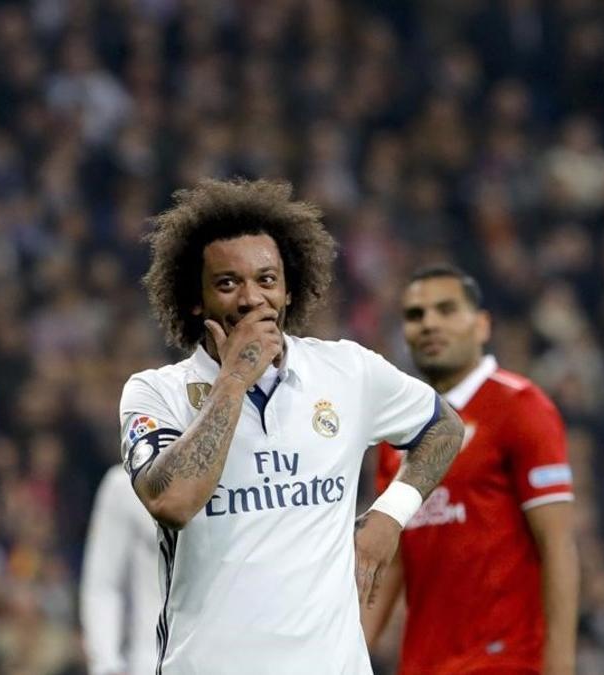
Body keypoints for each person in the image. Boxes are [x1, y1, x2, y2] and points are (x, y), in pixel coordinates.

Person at [118, 178, 465, 674]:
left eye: (266, 279)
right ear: (195, 300)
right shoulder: (157, 394)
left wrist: (390, 514)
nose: (251, 298)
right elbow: (172, 502)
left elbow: (445, 427)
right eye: (227, 283)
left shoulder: (348, 372)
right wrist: (235, 377)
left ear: (288, 291)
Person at [362, 264, 579, 674]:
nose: (429, 323)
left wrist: (561, 667)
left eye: (446, 310)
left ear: (482, 325)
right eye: (415, 315)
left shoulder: (521, 407)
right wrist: (345, 654)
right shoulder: (398, 433)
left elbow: (558, 546)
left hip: (507, 661)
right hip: (423, 664)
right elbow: (391, 560)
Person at [80, 466, 162, 675]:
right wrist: (106, 664)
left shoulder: (249, 475)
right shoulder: (125, 484)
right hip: (152, 661)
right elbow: (103, 585)